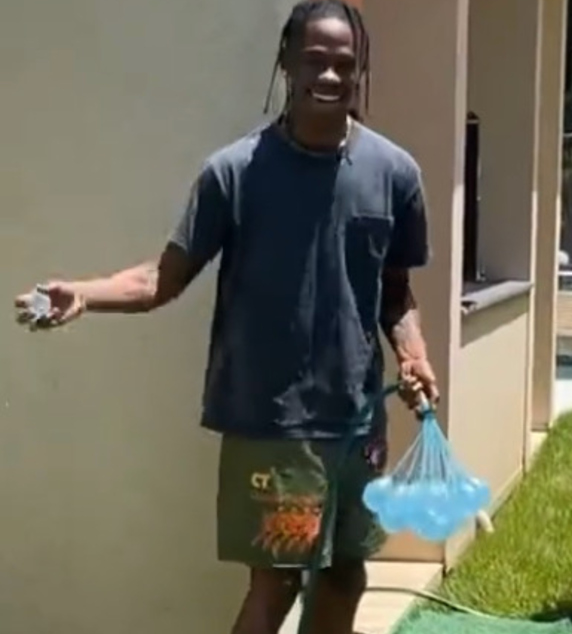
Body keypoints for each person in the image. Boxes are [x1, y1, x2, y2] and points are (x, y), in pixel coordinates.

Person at [12, 2, 437, 633]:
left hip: (357, 423)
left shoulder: (395, 173)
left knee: (348, 574)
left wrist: (413, 352)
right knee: (278, 579)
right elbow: (162, 278)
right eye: (314, 60)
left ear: (360, 70)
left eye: (344, 64)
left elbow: (394, 290)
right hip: (271, 421)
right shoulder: (235, 173)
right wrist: (85, 293)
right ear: (286, 62)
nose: (328, 76)